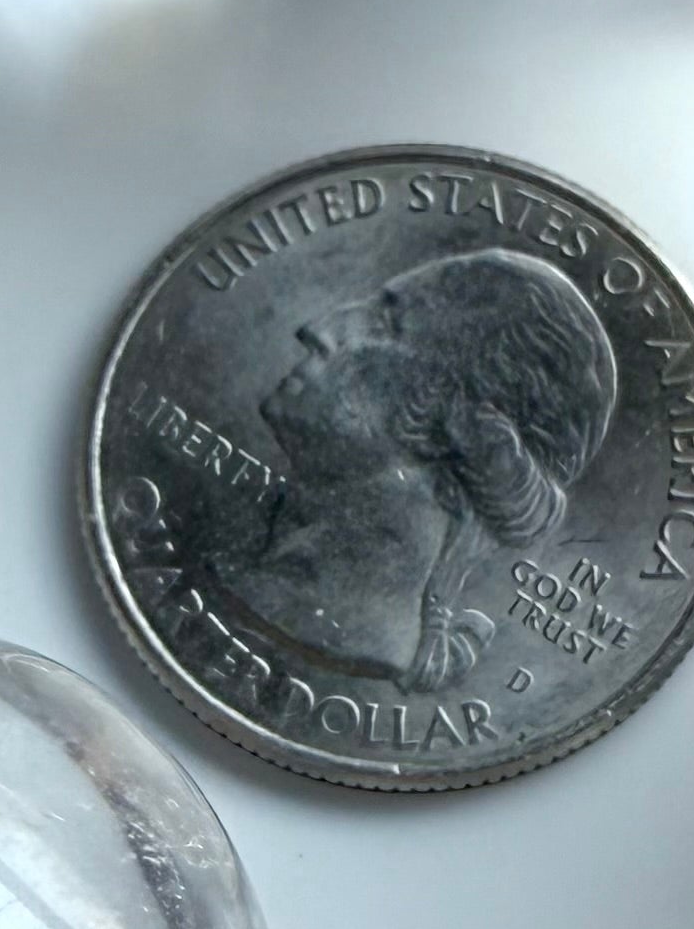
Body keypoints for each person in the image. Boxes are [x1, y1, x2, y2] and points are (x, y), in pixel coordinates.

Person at [238, 247, 620, 690]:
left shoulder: (315, 619)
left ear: (452, 415)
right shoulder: (269, 582)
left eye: (384, 324)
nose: (315, 329)